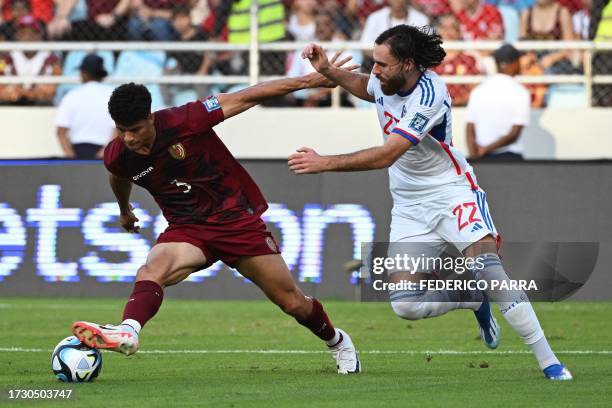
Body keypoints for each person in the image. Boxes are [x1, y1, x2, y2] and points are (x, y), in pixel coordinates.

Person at [291, 25, 572, 380]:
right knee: (406, 305)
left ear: (408, 64)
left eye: (381, 65)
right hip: (409, 204)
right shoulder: (386, 79)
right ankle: (471, 299)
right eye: (372, 63)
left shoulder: (430, 94)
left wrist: (325, 162)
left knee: (491, 270)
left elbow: (387, 154)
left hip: (451, 192)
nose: (374, 71)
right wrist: (330, 71)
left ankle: (550, 362)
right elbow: (369, 88)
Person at [70, 57, 362, 375]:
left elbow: (248, 95)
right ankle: (128, 330)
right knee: (153, 268)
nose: (128, 138)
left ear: (150, 118)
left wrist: (309, 81)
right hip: (187, 228)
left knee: (292, 303)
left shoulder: (186, 119)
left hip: (235, 219)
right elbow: (117, 174)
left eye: (135, 130)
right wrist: (124, 210)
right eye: (122, 130)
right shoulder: (119, 154)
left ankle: (337, 341)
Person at [465, 44, 530, 160]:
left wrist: (474, 156)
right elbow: (514, 133)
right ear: (514, 63)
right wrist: (486, 149)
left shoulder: (478, 90)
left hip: (481, 158)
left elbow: (470, 128)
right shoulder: (520, 92)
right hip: (510, 158)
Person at [55, 54, 116, 159]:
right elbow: (119, 129)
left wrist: (71, 157)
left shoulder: (71, 95)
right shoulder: (113, 94)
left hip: (78, 151)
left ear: (84, 74)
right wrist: (104, 153)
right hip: (107, 151)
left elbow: (61, 131)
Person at [0, 15, 61, 106]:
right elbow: (2, 91)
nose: (27, 37)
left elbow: (50, 91)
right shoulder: (6, 58)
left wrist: (23, 93)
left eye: (32, 33)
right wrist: (29, 93)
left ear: (39, 35)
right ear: (17, 35)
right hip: (13, 101)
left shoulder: (51, 59)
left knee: (44, 103)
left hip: (37, 103)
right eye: (23, 32)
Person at [432, 14, 482, 106]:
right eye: (443, 27)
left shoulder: (468, 59)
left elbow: (476, 90)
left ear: (459, 32)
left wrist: (457, 103)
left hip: (462, 108)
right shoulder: (429, 60)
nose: (447, 31)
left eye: (452, 27)